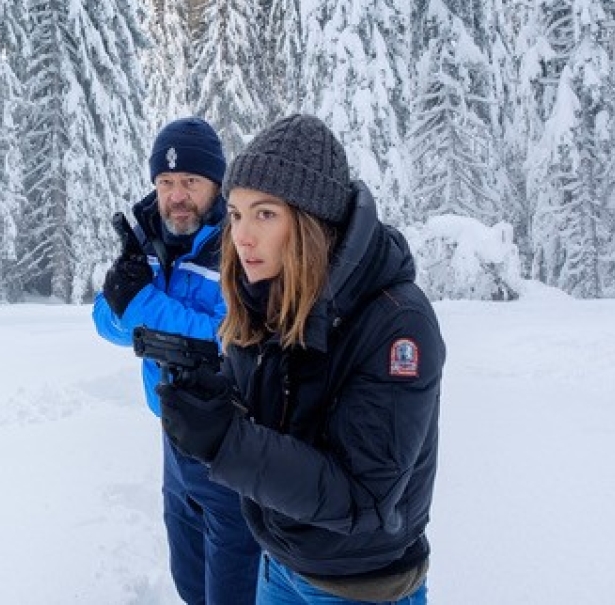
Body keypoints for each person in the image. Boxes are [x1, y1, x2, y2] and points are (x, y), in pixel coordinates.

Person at [156, 114, 444, 604]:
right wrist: (215, 396)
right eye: (237, 214)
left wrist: (227, 440)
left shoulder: (396, 324)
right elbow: (280, 415)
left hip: (358, 588)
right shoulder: (267, 294)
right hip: (279, 568)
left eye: (265, 214)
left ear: (313, 222)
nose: (243, 236)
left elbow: (365, 497)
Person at [93, 117, 260, 605]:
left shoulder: (238, 245)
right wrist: (134, 304)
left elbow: (228, 336)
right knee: (190, 583)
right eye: (165, 182)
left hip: (231, 443)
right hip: (174, 436)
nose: (176, 195)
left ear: (217, 184)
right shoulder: (150, 240)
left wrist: (141, 304)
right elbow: (106, 320)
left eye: (190, 181)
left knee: (232, 591)